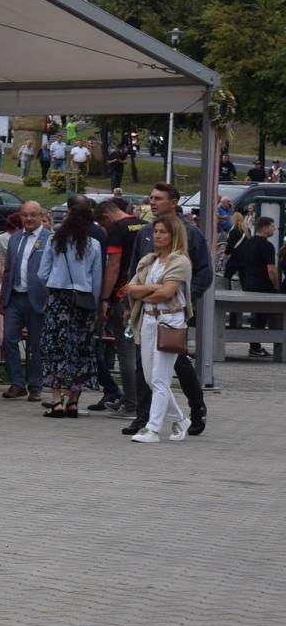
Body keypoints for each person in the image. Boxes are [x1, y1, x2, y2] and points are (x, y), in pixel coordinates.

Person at [125, 182, 210, 438]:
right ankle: (150, 415)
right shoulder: (145, 233)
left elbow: (202, 272)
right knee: (149, 372)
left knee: (177, 367)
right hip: (147, 315)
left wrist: (183, 295)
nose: (152, 202)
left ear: (173, 201)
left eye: (158, 198)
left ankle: (191, 411)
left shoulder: (190, 234)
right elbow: (133, 277)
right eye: (150, 197)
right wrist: (137, 300)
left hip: (171, 316)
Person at [125, 215, 194, 443]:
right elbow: (131, 289)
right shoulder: (148, 261)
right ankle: (180, 419)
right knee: (149, 377)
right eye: (156, 232)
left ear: (174, 235)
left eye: (163, 232)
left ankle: (152, 429)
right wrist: (152, 289)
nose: (158, 236)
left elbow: (167, 292)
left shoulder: (180, 261)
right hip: (147, 320)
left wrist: (145, 293)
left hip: (169, 321)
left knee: (160, 377)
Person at [36, 202, 103, 417]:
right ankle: (73, 401)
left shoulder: (56, 241)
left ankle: (56, 401)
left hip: (58, 299)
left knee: (54, 348)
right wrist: (94, 304)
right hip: (83, 302)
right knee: (80, 350)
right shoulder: (93, 245)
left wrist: (54, 284)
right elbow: (97, 279)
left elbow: (41, 273)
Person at [91, 198, 144, 415]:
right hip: (142, 293)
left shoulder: (115, 229)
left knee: (125, 352)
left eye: (102, 225)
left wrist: (104, 298)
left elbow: (113, 265)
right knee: (139, 352)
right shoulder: (143, 225)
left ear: (106, 218)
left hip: (121, 296)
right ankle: (139, 399)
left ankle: (131, 404)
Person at [0, 201, 50, 401]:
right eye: (25, 215)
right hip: (15, 297)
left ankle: (36, 385)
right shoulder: (14, 239)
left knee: (36, 344)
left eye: (33, 215)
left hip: (37, 299)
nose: (28, 219)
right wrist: (4, 298)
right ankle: (17, 383)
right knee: (9, 339)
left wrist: (49, 297)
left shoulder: (49, 239)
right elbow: (9, 269)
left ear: (40, 216)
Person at [225, 215, 278, 357]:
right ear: (265, 227)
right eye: (273, 225)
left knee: (256, 314)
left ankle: (255, 345)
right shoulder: (267, 246)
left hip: (249, 283)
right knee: (262, 315)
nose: (275, 228)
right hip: (263, 285)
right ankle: (256, 345)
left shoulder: (250, 242)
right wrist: (276, 285)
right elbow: (271, 269)